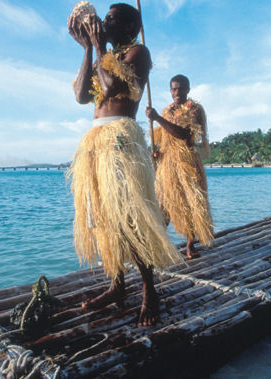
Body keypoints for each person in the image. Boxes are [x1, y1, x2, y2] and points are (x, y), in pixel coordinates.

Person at [67, 3, 180, 326]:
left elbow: (111, 88)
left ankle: (148, 290)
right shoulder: (106, 54)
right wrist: (89, 48)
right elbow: (80, 95)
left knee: (129, 216)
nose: (104, 21)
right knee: (102, 217)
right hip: (95, 140)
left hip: (120, 136)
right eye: (104, 17)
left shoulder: (138, 53)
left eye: (111, 18)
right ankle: (117, 285)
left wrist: (99, 45)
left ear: (130, 25)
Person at [145, 75, 214, 259]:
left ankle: (190, 246)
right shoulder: (168, 111)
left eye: (181, 89)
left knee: (192, 205)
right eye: (174, 89)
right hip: (168, 165)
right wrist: (157, 152)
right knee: (164, 204)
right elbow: (162, 138)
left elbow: (184, 135)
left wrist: (158, 118)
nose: (177, 93)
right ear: (170, 91)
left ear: (188, 89)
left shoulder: (195, 109)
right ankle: (159, 246)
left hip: (187, 164)